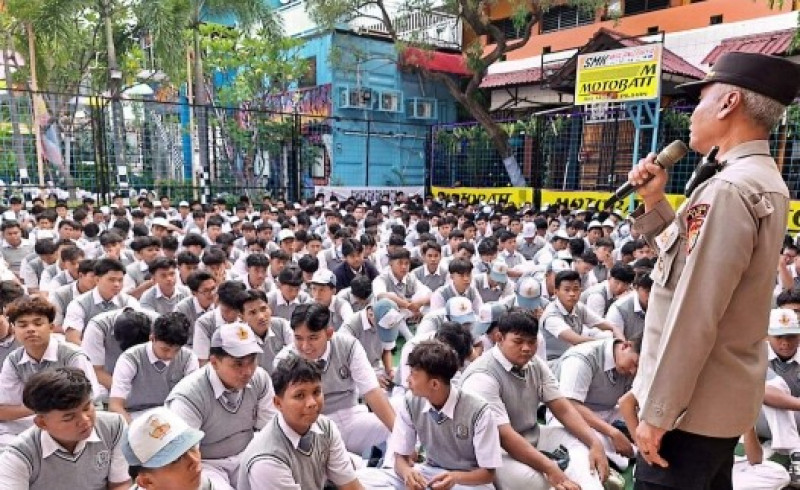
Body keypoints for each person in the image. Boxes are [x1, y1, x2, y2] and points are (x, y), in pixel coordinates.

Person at [626, 52, 799, 489]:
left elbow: (695, 312)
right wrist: (654, 202)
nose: (690, 115)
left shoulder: (729, 188)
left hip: (687, 411)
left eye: (699, 101)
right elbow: (683, 263)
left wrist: (659, 412)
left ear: (729, 103)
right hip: (714, 405)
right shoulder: (759, 178)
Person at [460, 309, 608, 490]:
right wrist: (548, 467)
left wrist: (595, 443)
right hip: (493, 451)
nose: (526, 348)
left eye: (532, 342)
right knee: (534, 482)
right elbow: (505, 436)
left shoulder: (534, 363)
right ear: (499, 338)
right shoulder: (482, 376)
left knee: (582, 444)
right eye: (518, 341)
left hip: (531, 434)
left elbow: (562, 407)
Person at [362, 340, 501, 490]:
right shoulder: (410, 402)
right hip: (429, 472)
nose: (408, 381)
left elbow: (488, 473)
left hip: (467, 481)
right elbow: (400, 458)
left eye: (413, 376)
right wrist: (407, 473)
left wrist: (454, 478)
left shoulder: (479, 411)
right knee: (363, 479)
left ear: (434, 384)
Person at [165, 322, 276, 489]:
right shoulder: (189, 396)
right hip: (206, 464)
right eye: (238, 364)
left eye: (252, 361)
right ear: (214, 362)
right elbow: (187, 457)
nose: (247, 371)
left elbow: (269, 429)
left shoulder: (259, 378)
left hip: (248, 454)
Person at [275, 303, 396, 455]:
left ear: (329, 333)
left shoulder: (348, 345)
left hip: (352, 416)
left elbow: (371, 391)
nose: (305, 346)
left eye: (313, 338)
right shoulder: (284, 360)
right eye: (298, 338)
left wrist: (400, 437)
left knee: (398, 427)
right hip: (314, 425)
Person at [238, 357, 366, 490]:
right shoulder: (267, 460)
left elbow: (350, 485)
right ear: (278, 403)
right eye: (299, 395)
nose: (312, 403)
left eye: (316, 392)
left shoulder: (325, 427)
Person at [0, 367, 130, 489]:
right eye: (69, 417)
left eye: (87, 408)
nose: (85, 420)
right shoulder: (19, 456)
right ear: (42, 423)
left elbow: (121, 484)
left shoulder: (114, 426)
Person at [109, 312, 198, 422]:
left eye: (176, 350)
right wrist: (133, 428)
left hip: (172, 416)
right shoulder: (130, 358)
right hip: (135, 415)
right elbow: (115, 406)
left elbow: (192, 399)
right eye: (165, 349)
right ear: (152, 338)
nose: (170, 355)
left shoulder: (188, 358)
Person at [122, 406, 214, 490]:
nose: (194, 461)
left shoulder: (203, 485)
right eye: (176, 459)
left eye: (192, 447)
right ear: (147, 481)